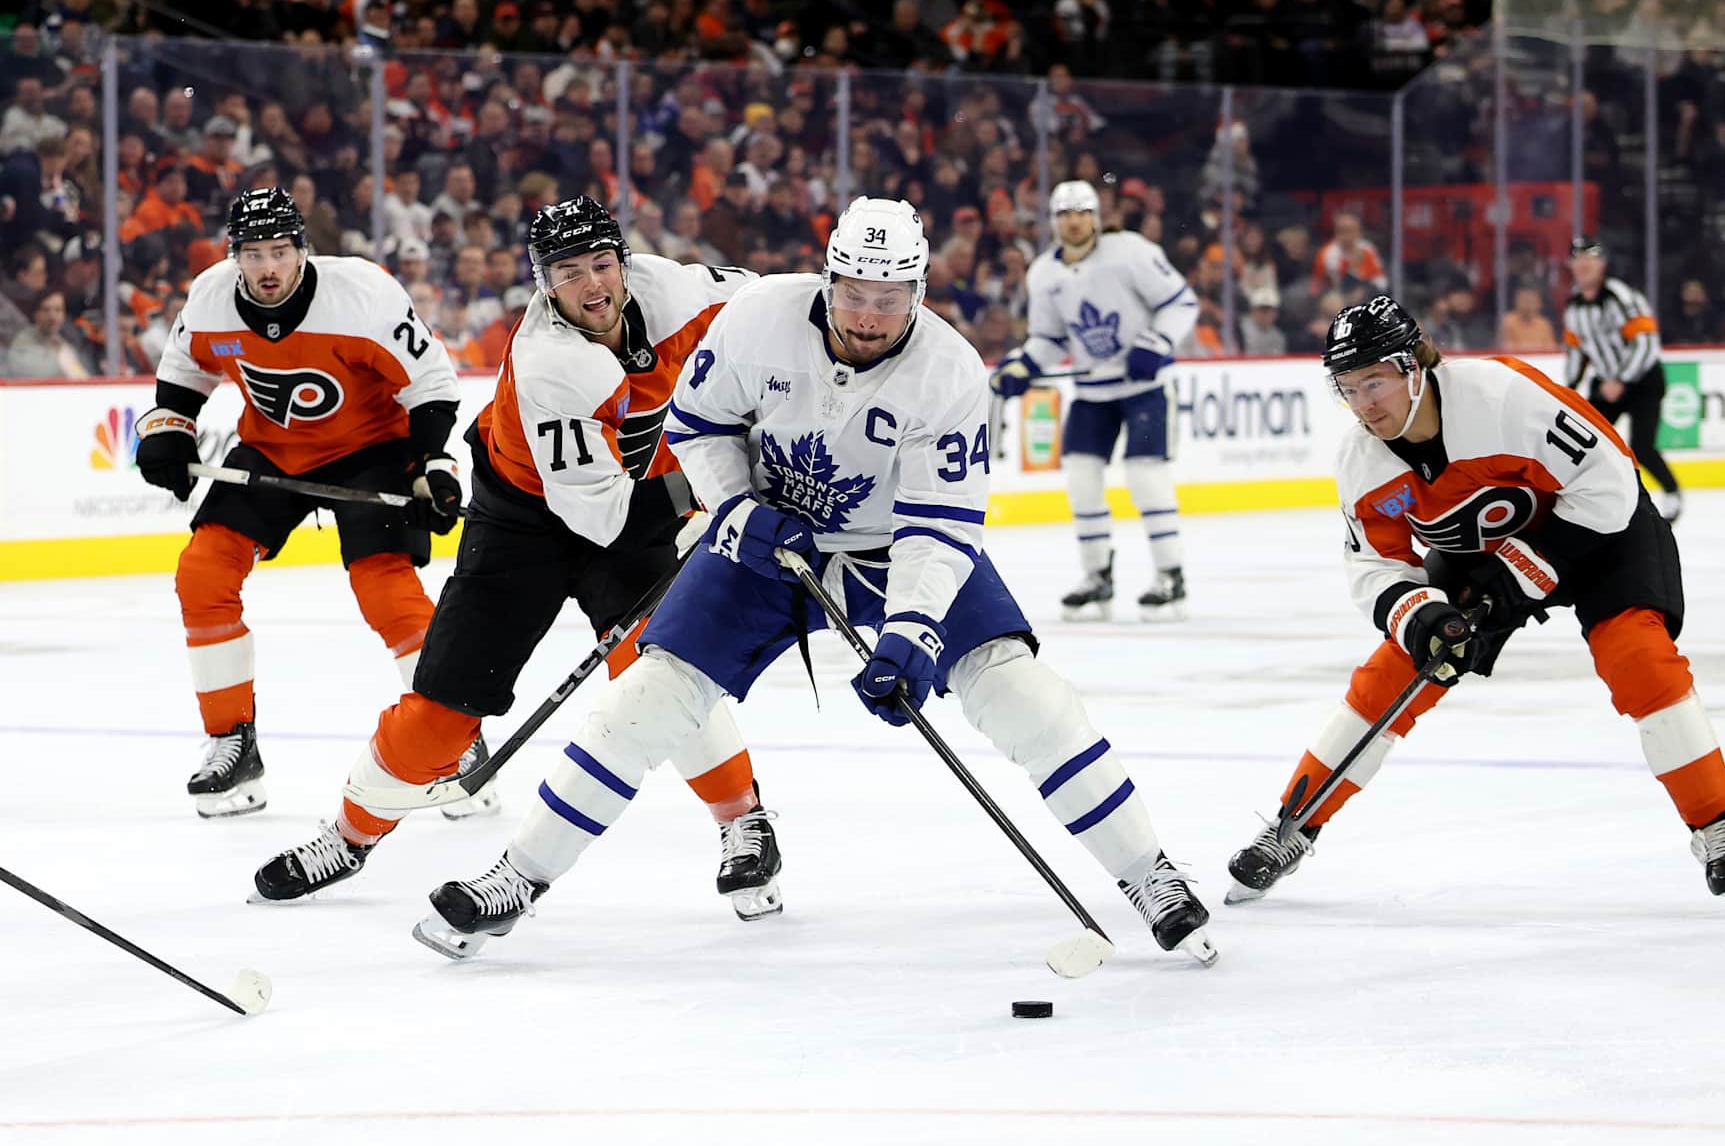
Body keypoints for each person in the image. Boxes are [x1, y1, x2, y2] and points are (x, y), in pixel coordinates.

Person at [415, 197, 1218, 964]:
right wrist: (733, 509)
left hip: (892, 547)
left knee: (1021, 695)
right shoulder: (758, 319)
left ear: (921, 290)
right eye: (855, 292)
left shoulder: (950, 372)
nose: (870, 314)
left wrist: (909, 631)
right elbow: (699, 428)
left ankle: (1148, 873)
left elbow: (939, 528)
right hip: (766, 542)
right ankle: (516, 878)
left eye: (892, 295)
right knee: (647, 698)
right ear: (828, 279)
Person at [250, 197, 785, 920]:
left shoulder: (687, 293)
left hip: (636, 498)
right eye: (570, 272)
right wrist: (718, 483)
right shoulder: (552, 363)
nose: (593, 285)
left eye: (603, 264)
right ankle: (347, 837)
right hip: (529, 520)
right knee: (439, 716)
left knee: (665, 674)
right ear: (543, 282)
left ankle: (743, 819)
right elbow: (606, 522)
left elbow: (787, 315)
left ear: (624, 260)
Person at [1223, 297, 1725, 918]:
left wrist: (1526, 572)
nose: (1364, 402)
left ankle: (1715, 824)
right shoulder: (1362, 462)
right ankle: (1295, 825)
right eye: (1348, 386)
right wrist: (1419, 613)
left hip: (1598, 533)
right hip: (1483, 556)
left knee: (1640, 659)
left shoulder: (1502, 397)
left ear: (1414, 366)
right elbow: (1374, 565)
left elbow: (1609, 479)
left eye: (1375, 380)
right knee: (1395, 672)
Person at [132, 187, 467, 818]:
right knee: (202, 572)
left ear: (303, 251)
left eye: (279, 251)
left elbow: (432, 384)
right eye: (252, 252)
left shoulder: (362, 294)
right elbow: (183, 375)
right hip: (273, 448)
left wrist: (428, 463)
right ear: (233, 255)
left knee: (386, 590)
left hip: (372, 447)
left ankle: (452, 741)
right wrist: (169, 431)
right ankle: (231, 743)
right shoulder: (209, 298)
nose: (266, 267)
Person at [990, 180, 1200, 621]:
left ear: (1096, 216)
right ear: (1053, 221)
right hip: (1093, 392)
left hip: (1144, 386)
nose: (1074, 220)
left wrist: (1155, 342)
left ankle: (1170, 574)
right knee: (1082, 479)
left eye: (1082, 211)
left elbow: (1181, 303)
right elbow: (1047, 338)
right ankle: (1097, 575)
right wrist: (1026, 365)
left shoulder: (1131, 252)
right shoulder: (1043, 274)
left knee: (1146, 476)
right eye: (1065, 213)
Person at [1562, 237, 1682, 521]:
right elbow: (1577, 352)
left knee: (1642, 446)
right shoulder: (1574, 307)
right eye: (1578, 260)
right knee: (1586, 443)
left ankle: (1672, 491)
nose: (1584, 265)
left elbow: (1646, 343)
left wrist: (1622, 380)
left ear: (1602, 264)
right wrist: (1566, 391)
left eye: (1590, 259)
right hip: (1606, 385)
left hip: (1642, 382)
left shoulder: (1622, 296)